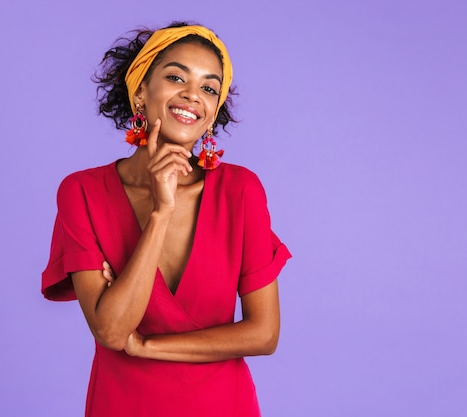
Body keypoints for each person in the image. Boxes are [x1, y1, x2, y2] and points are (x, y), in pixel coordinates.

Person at [41, 22, 291, 417]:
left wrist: (147, 346)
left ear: (212, 114)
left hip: (224, 406)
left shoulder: (241, 191)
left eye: (209, 88)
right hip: (122, 405)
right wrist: (161, 212)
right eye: (176, 77)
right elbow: (109, 331)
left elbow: (264, 333)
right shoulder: (82, 192)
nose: (193, 95)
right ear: (140, 90)